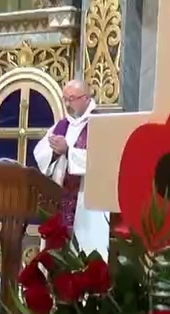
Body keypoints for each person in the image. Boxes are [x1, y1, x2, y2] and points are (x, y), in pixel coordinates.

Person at [32, 79, 110, 257]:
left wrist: (68, 151)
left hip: (86, 202)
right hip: (60, 198)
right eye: (65, 99)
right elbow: (40, 153)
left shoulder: (100, 123)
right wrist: (54, 153)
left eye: (72, 99)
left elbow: (101, 159)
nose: (67, 104)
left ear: (86, 97)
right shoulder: (62, 125)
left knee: (86, 250)